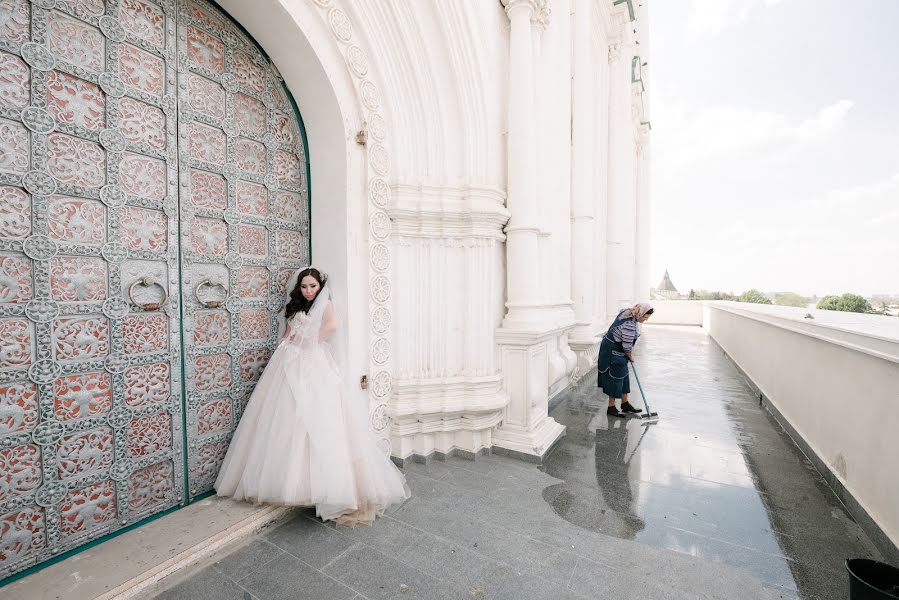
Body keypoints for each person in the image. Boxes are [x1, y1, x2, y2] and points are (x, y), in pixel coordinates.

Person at [215, 267, 410, 526]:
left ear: (320, 287)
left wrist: (309, 342)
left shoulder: (325, 303)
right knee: (284, 415)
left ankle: (326, 485)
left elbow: (332, 326)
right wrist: (283, 350)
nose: (308, 291)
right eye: (305, 286)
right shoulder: (295, 307)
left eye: (313, 286)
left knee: (317, 414)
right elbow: (287, 333)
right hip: (290, 359)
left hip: (314, 361)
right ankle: (288, 482)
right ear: (299, 287)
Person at [597, 303, 654, 417]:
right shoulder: (630, 325)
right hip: (612, 352)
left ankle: (625, 404)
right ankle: (611, 407)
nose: (645, 320)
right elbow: (627, 347)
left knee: (624, 376)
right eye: (644, 317)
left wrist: (627, 356)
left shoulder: (628, 312)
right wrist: (630, 356)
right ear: (640, 313)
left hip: (616, 349)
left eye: (647, 318)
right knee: (615, 377)